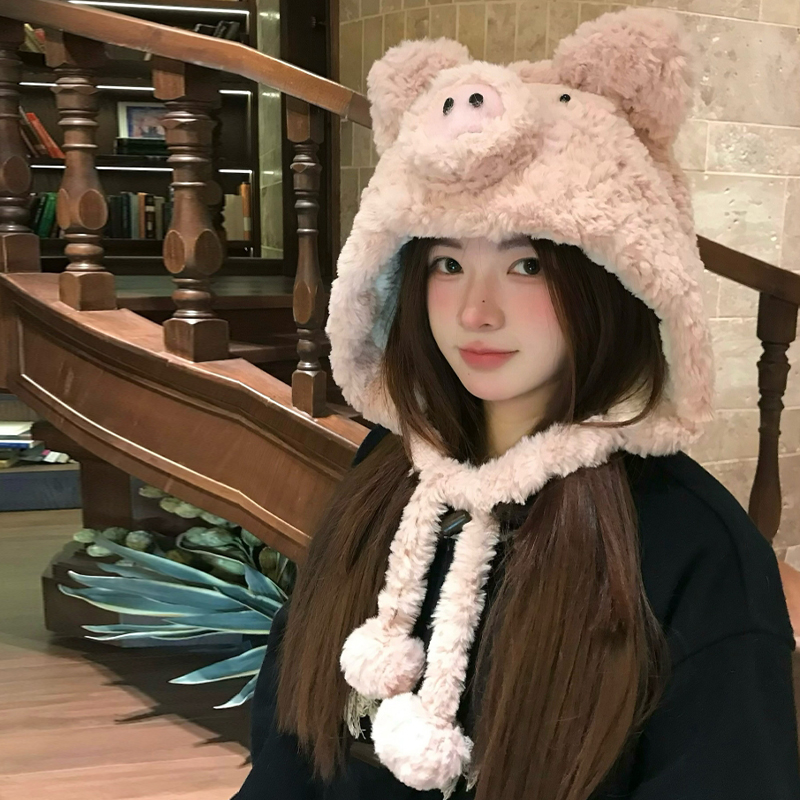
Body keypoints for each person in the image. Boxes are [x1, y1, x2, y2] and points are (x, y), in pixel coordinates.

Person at [233, 7, 800, 800]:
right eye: (447, 263)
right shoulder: (385, 474)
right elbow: (289, 742)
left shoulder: (695, 554)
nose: (476, 311)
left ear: (612, 276)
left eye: (526, 264)